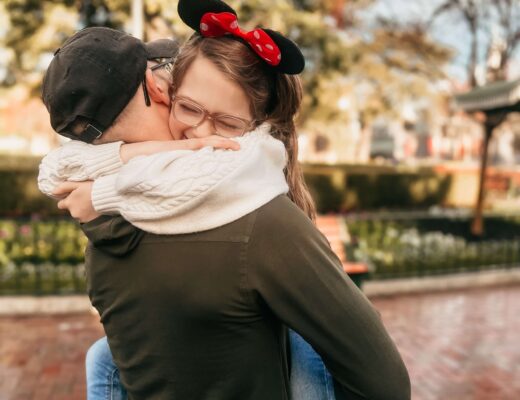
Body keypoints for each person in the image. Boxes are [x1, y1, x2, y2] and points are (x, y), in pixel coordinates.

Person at [40, 0, 411, 398]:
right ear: (164, 89)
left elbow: (62, 168)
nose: (201, 135)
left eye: (227, 124)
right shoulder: (264, 225)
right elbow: (386, 384)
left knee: (102, 356)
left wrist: (116, 177)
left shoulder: (98, 215)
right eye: (189, 108)